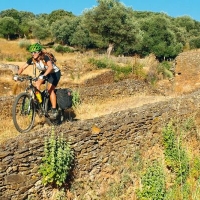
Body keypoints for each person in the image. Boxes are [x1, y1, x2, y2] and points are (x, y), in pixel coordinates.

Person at [14, 43, 61, 119]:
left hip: (54, 73)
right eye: (31, 52)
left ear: (39, 52)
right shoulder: (32, 59)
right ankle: (39, 102)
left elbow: (50, 67)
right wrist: (16, 75)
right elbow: (23, 68)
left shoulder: (45, 57)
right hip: (45, 72)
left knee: (50, 89)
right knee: (36, 84)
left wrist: (44, 75)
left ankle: (54, 110)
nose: (33, 54)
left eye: (35, 52)